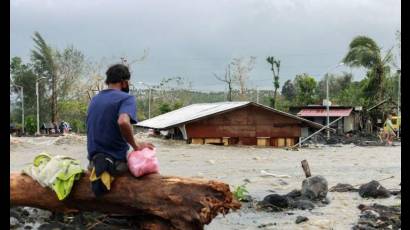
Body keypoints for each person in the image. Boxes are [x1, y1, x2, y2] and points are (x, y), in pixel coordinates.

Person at [86, 64, 154, 178]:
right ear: (124, 82)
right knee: (147, 167)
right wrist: (136, 145)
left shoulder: (94, 99)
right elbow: (123, 121)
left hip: (93, 164)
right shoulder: (126, 98)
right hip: (116, 165)